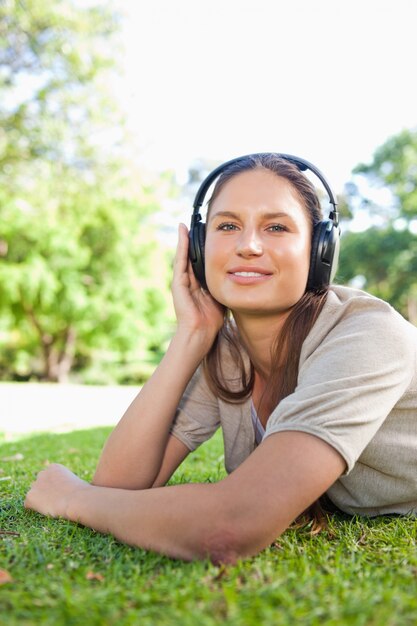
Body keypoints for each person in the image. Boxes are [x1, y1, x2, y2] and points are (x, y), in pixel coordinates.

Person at [24, 153, 417, 564]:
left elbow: (229, 528)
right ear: (198, 248)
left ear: (320, 251)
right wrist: (191, 335)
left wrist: (71, 498)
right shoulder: (228, 351)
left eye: (276, 227)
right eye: (227, 226)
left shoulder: (368, 335)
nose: (248, 246)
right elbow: (118, 485)